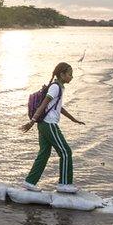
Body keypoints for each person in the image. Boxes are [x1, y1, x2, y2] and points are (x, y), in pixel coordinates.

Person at [20, 62, 85, 193]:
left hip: (43, 125)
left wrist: (73, 119)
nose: (71, 77)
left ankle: (29, 182)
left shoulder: (58, 87)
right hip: (49, 124)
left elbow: (58, 107)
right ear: (62, 75)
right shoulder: (55, 88)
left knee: (44, 154)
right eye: (70, 74)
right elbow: (43, 105)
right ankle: (64, 184)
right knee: (66, 152)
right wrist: (32, 121)